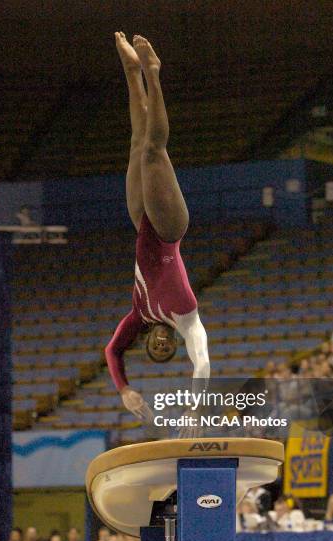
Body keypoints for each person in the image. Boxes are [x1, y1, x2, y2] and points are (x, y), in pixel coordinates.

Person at [104, 33, 210, 422]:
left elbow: (113, 351)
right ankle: (153, 73)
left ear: (150, 340)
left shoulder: (139, 316)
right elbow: (201, 362)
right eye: (168, 350)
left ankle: (132, 72)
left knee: (136, 145)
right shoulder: (186, 316)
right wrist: (197, 408)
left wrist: (125, 389)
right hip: (168, 231)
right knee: (153, 151)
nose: (164, 345)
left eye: (157, 349)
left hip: (140, 223)